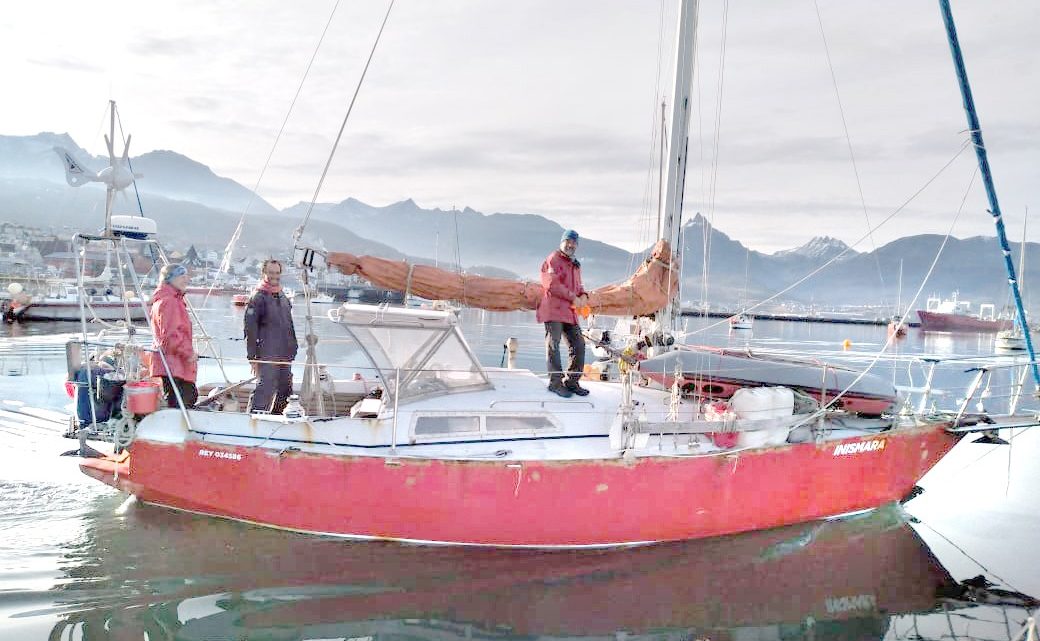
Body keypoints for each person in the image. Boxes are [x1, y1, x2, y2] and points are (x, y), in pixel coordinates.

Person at [536, 229, 590, 398]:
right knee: (553, 344)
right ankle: (555, 383)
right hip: (553, 310)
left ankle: (572, 382)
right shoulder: (553, 259)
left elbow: (578, 286)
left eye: (574, 242)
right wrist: (574, 297)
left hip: (569, 312)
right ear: (562, 242)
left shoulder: (575, 265)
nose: (570, 245)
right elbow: (552, 284)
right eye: (568, 241)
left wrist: (583, 295)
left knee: (579, 345)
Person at [244, 259, 298, 414]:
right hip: (266, 352)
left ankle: (277, 417)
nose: (274, 276)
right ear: (264, 273)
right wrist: (252, 357)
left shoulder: (282, 295)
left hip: (285, 353)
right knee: (265, 389)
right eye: (271, 273)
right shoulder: (257, 297)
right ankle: (253, 419)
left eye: (277, 272)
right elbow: (250, 329)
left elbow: (289, 323)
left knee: (286, 390)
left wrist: (293, 347)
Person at [149, 263, 198, 408]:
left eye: (185, 275)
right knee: (182, 400)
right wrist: (188, 354)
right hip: (173, 363)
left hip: (174, 363)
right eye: (180, 276)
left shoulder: (171, 300)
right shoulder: (169, 302)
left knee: (185, 397)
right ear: (170, 279)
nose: (185, 279)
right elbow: (170, 335)